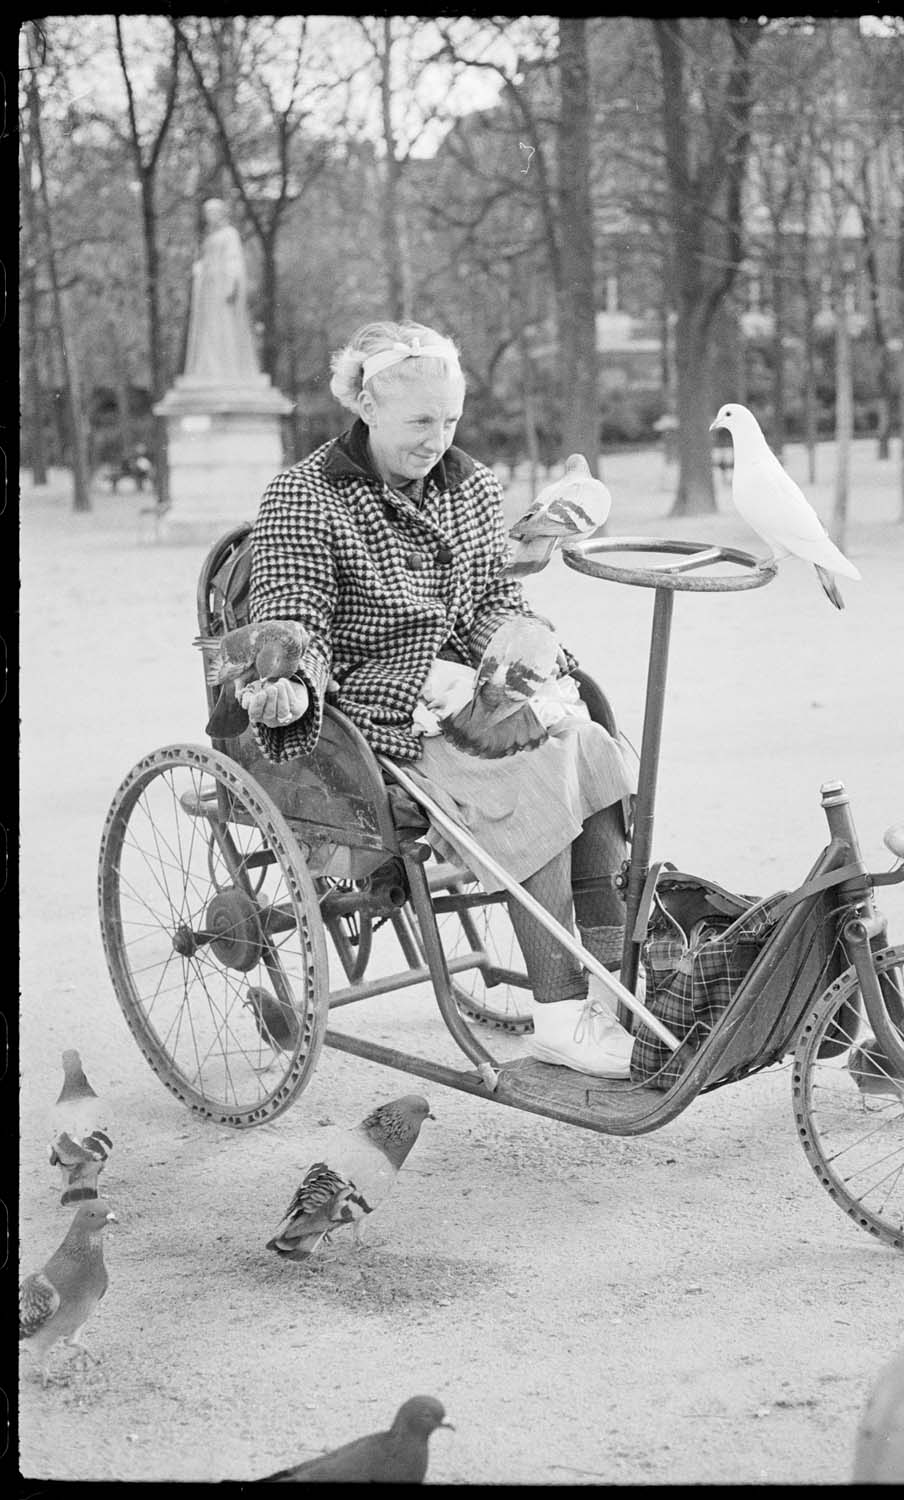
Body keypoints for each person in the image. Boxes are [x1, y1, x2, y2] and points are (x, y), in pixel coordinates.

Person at [244, 319, 637, 1078]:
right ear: (365, 403)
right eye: (420, 421)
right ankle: (559, 1014)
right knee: (529, 779)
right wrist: (291, 684)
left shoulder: (471, 484)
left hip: (472, 693)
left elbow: (487, 595)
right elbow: (296, 619)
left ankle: (607, 998)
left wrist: (517, 633)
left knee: (586, 746)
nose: (438, 438)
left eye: (450, 419)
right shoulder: (304, 495)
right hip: (375, 709)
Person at [184, 198, 260, 381]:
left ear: (221, 213)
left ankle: (227, 368)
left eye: (213, 212)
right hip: (209, 290)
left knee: (225, 327)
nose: (209, 217)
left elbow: (234, 260)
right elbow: (205, 261)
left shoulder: (229, 234)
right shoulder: (210, 237)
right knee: (210, 331)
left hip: (222, 288)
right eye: (207, 213)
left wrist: (232, 284)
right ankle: (210, 367)